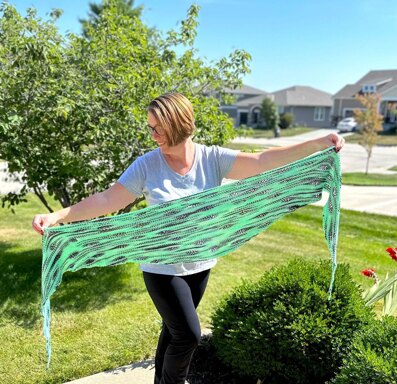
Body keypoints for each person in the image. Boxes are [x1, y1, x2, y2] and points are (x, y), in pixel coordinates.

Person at [32, 92, 345, 384]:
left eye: (157, 128)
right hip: (161, 268)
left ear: (177, 124)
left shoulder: (211, 158)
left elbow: (263, 160)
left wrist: (318, 143)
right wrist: (59, 215)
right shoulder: (147, 165)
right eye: (150, 128)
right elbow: (107, 199)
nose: (152, 135)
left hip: (199, 264)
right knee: (189, 335)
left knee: (173, 333)